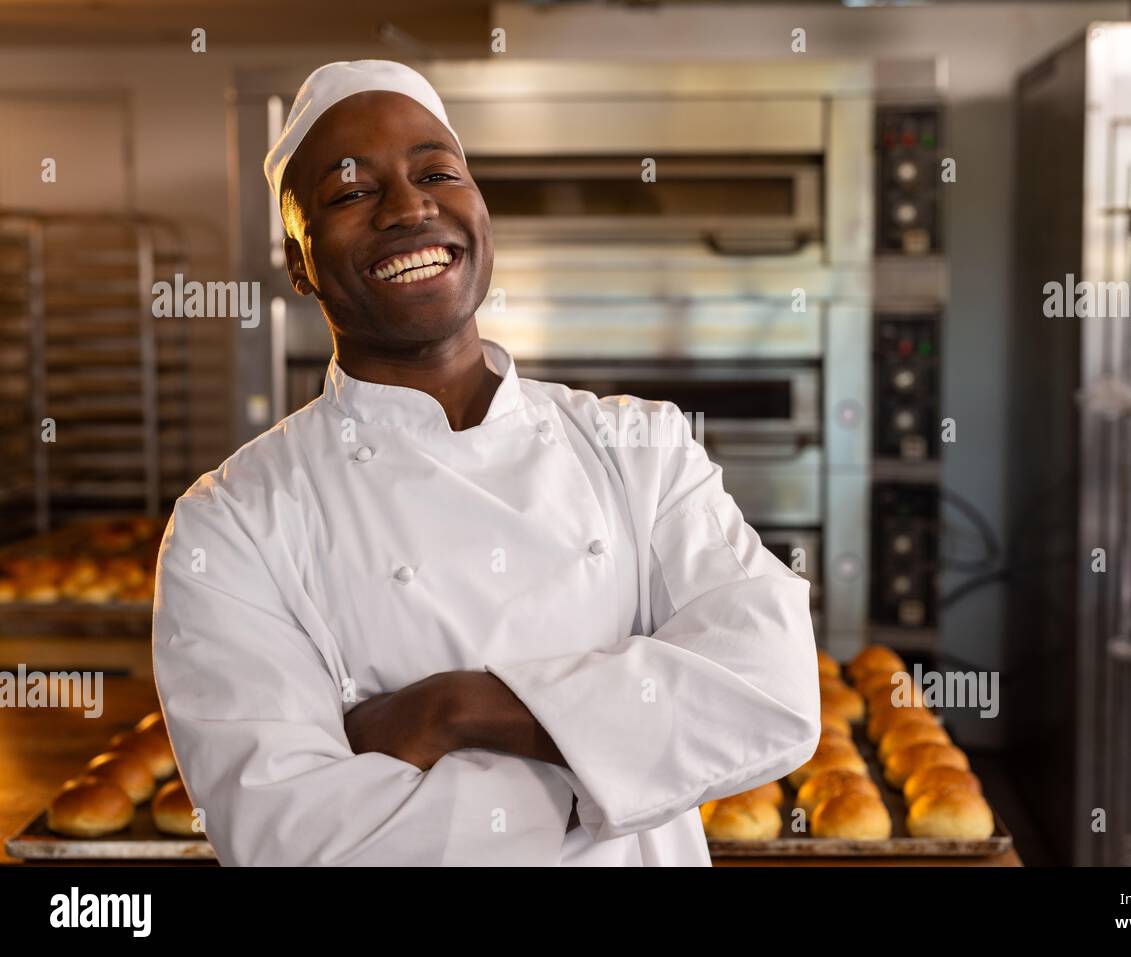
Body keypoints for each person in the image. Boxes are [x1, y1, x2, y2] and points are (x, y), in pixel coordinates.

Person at [151, 59, 820, 866]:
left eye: (437, 171)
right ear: (299, 262)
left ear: (478, 208)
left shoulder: (639, 444)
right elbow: (290, 838)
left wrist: (452, 710)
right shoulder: (231, 522)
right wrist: (612, 768)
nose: (409, 206)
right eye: (352, 192)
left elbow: (774, 689)